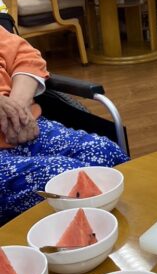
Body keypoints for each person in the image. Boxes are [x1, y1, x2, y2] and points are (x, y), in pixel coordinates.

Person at [0, 26, 129, 224]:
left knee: (104, 152)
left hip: (27, 125)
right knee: (64, 179)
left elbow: (25, 55)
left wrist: (18, 106)